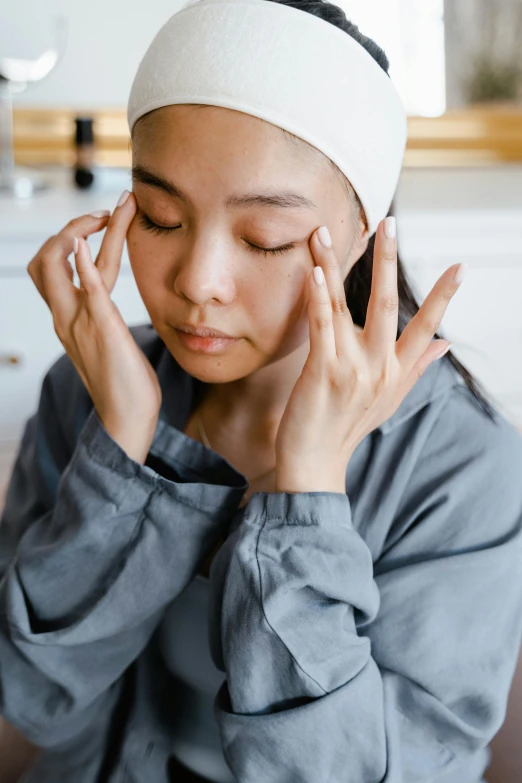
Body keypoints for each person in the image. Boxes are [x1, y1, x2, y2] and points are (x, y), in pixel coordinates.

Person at [1, 0, 522, 781]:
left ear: (360, 232)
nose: (197, 284)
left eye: (263, 238)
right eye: (160, 216)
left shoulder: (462, 461)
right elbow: (32, 696)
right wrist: (119, 452)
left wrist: (305, 496)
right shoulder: (92, 391)